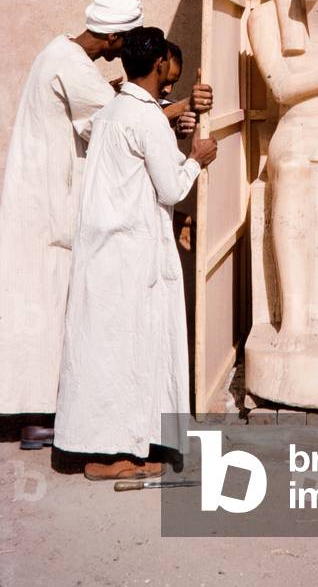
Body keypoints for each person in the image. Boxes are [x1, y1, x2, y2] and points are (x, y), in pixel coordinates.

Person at [53, 27, 217, 481]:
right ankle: (108, 457)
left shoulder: (112, 112)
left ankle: (119, 444)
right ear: (161, 65)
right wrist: (198, 158)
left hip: (106, 251)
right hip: (129, 254)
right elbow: (172, 187)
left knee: (108, 350)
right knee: (125, 352)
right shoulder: (144, 120)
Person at [0, 0, 143, 449]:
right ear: (115, 37)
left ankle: (38, 413)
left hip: (38, 202)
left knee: (41, 306)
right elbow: (112, 123)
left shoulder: (59, 52)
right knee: (50, 306)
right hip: (50, 206)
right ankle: (42, 418)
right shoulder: (74, 66)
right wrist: (173, 110)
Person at [159, 41, 213, 139]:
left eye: (173, 83)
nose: (168, 90)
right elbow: (149, 119)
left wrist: (179, 128)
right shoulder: (130, 103)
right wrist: (188, 103)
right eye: (165, 82)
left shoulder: (166, 103)